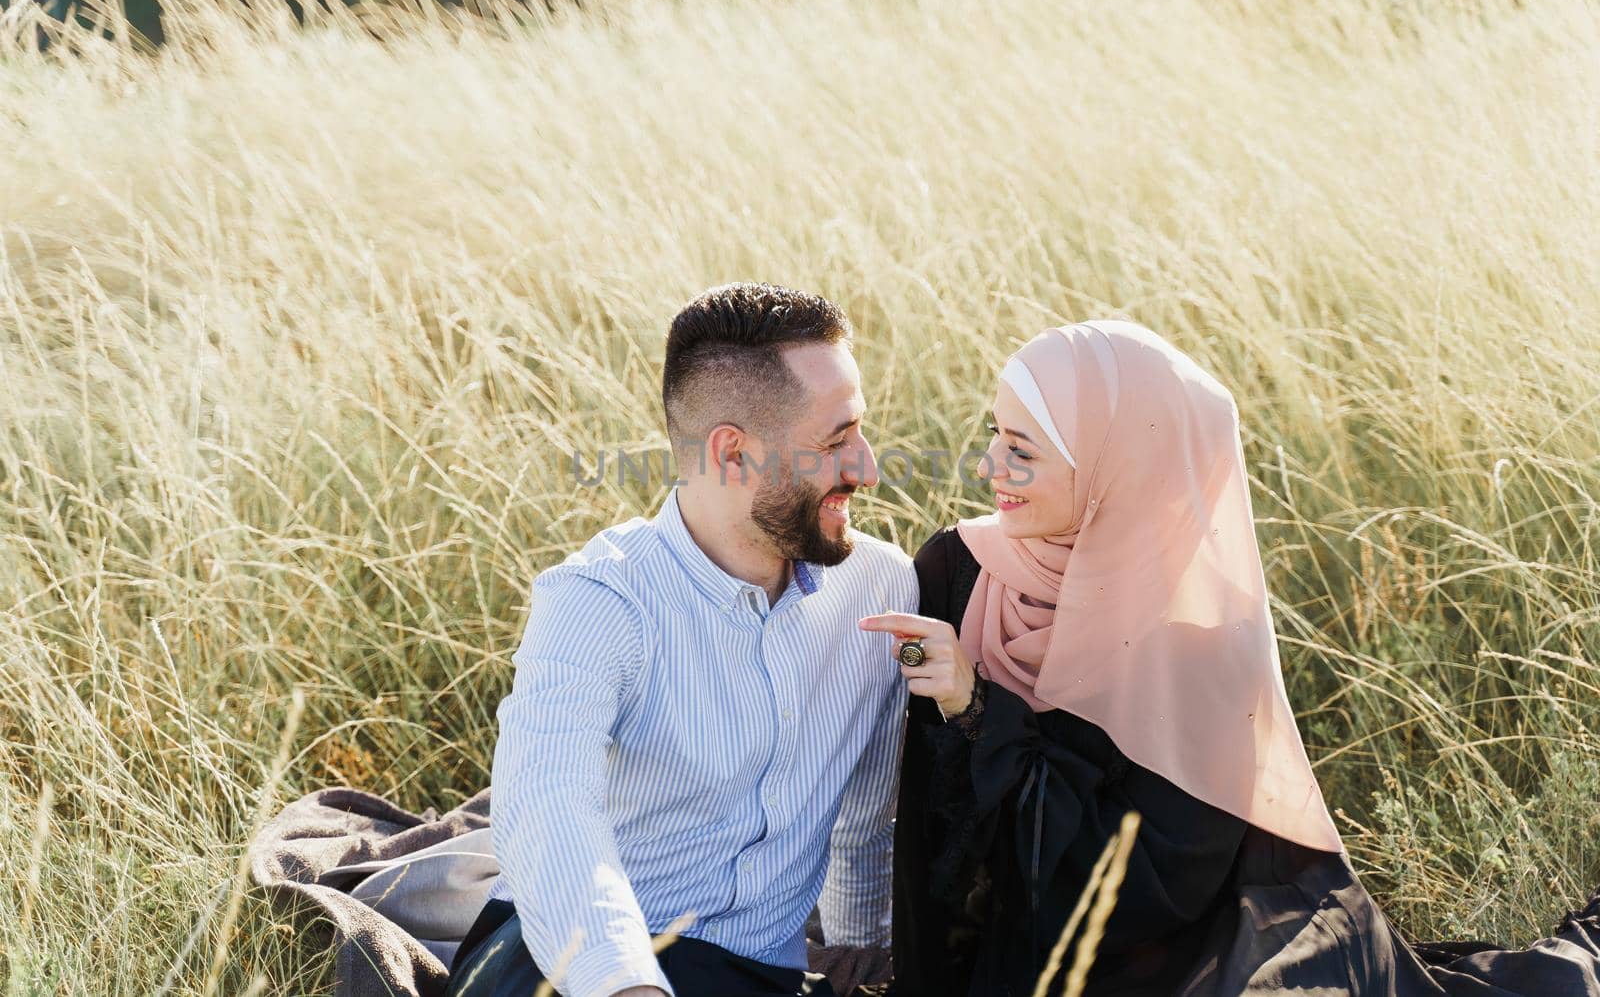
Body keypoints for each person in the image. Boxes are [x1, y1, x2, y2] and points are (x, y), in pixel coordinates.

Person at [862, 319, 1600, 997]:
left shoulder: (1200, 642)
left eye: (1022, 449)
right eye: (995, 432)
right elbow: (916, 826)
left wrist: (979, 708)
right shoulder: (957, 571)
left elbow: (1147, 891)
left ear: (1119, 469)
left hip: (1162, 964)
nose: (989, 464)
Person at [449, 283, 917, 997]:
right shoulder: (600, 597)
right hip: (568, 958)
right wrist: (626, 984)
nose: (868, 468)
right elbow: (546, 801)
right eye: (836, 441)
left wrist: (864, 957)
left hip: (755, 974)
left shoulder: (881, 590)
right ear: (733, 454)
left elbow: (864, 825)